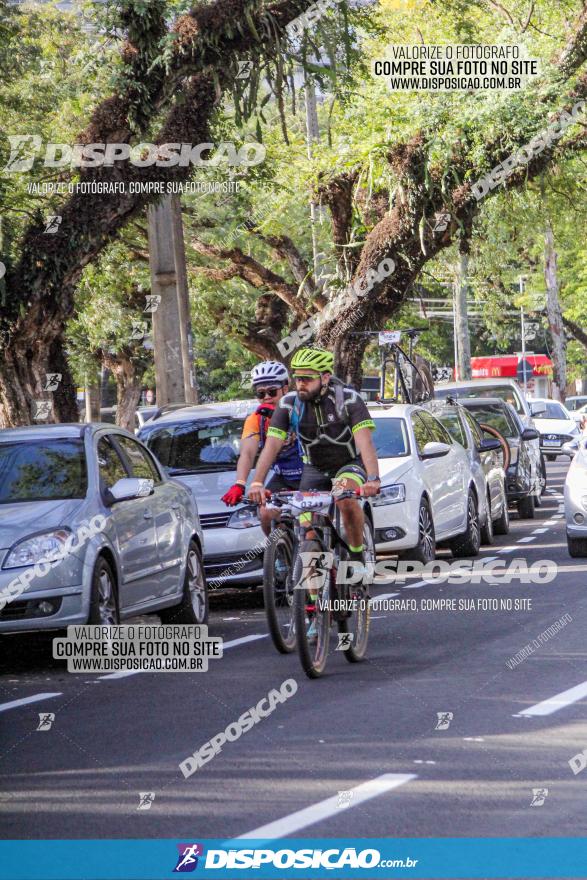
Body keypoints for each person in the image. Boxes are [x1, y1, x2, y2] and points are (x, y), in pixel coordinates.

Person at [247, 347, 381, 565]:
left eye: (307, 379)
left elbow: (365, 442)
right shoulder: (289, 404)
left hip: (347, 464)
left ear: (325, 377)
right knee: (308, 530)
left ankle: (356, 558)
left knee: (344, 499)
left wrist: (373, 478)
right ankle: (309, 597)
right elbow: (271, 446)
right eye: (298, 378)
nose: (301, 384)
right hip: (314, 469)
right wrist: (257, 483)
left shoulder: (349, 400)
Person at [221, 361, 303, 534]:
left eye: (272, 391)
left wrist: (279, 416)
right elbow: (247, 453)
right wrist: (240, 483)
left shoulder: (302, 408)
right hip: (284, 478)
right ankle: (280, 554)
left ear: (285, 388)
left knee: (309, 522)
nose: (266, 397)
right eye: (260, 393)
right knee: (265, 513)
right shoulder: (256, 419)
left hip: (310, 473)